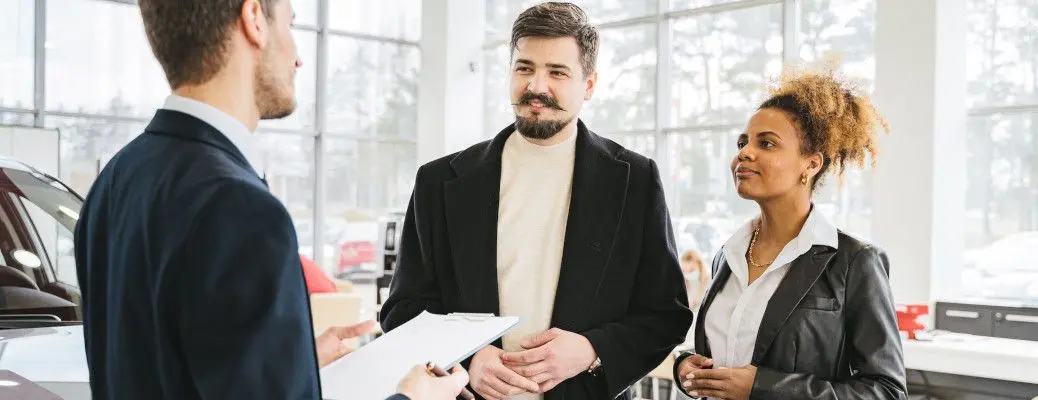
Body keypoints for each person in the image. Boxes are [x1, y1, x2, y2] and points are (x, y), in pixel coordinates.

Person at [73, 0, 466, 399]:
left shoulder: (117, 178)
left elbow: (163, 362)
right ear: (254, 19)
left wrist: (292, 364)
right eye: (291, 26)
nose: (297, 57)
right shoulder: (240, 208)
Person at [379, 3, 693, 400]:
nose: (536, 86)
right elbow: (402, 308)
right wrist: (468, 359)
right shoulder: (438, 181)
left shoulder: (635, 180)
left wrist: (591, 351)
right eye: (524, 68)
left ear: (590, 85)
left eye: (557, 72)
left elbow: (665, 314)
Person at [672, 61, 907, 399]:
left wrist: (763, 388)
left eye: (766, 144)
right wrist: (687, 366)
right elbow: (721, 351)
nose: (744, 153)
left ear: (811, 163)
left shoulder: (855, 263)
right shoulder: (729, 254)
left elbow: (886, 391)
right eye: (743, 142)